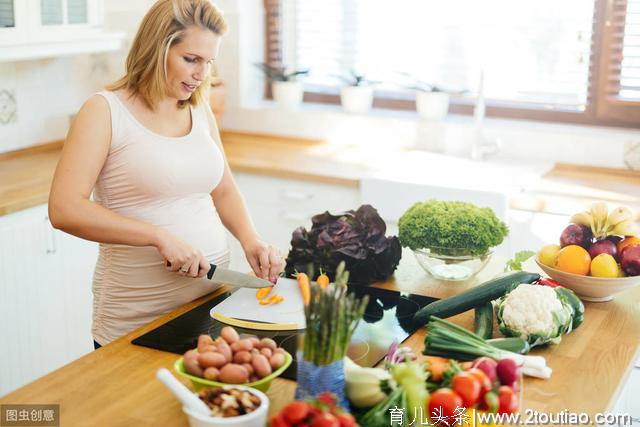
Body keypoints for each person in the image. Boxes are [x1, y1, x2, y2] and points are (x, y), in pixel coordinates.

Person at [48, 0, 283, 349]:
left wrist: (251, 239)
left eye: (208, 62)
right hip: (137, 321)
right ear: (158, 48)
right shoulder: (104, 111)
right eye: (191, 59)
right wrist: (157, 236)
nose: (201, 75)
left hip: (210, 309)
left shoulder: (199, 108)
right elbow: (65, 209)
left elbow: (223, 188)